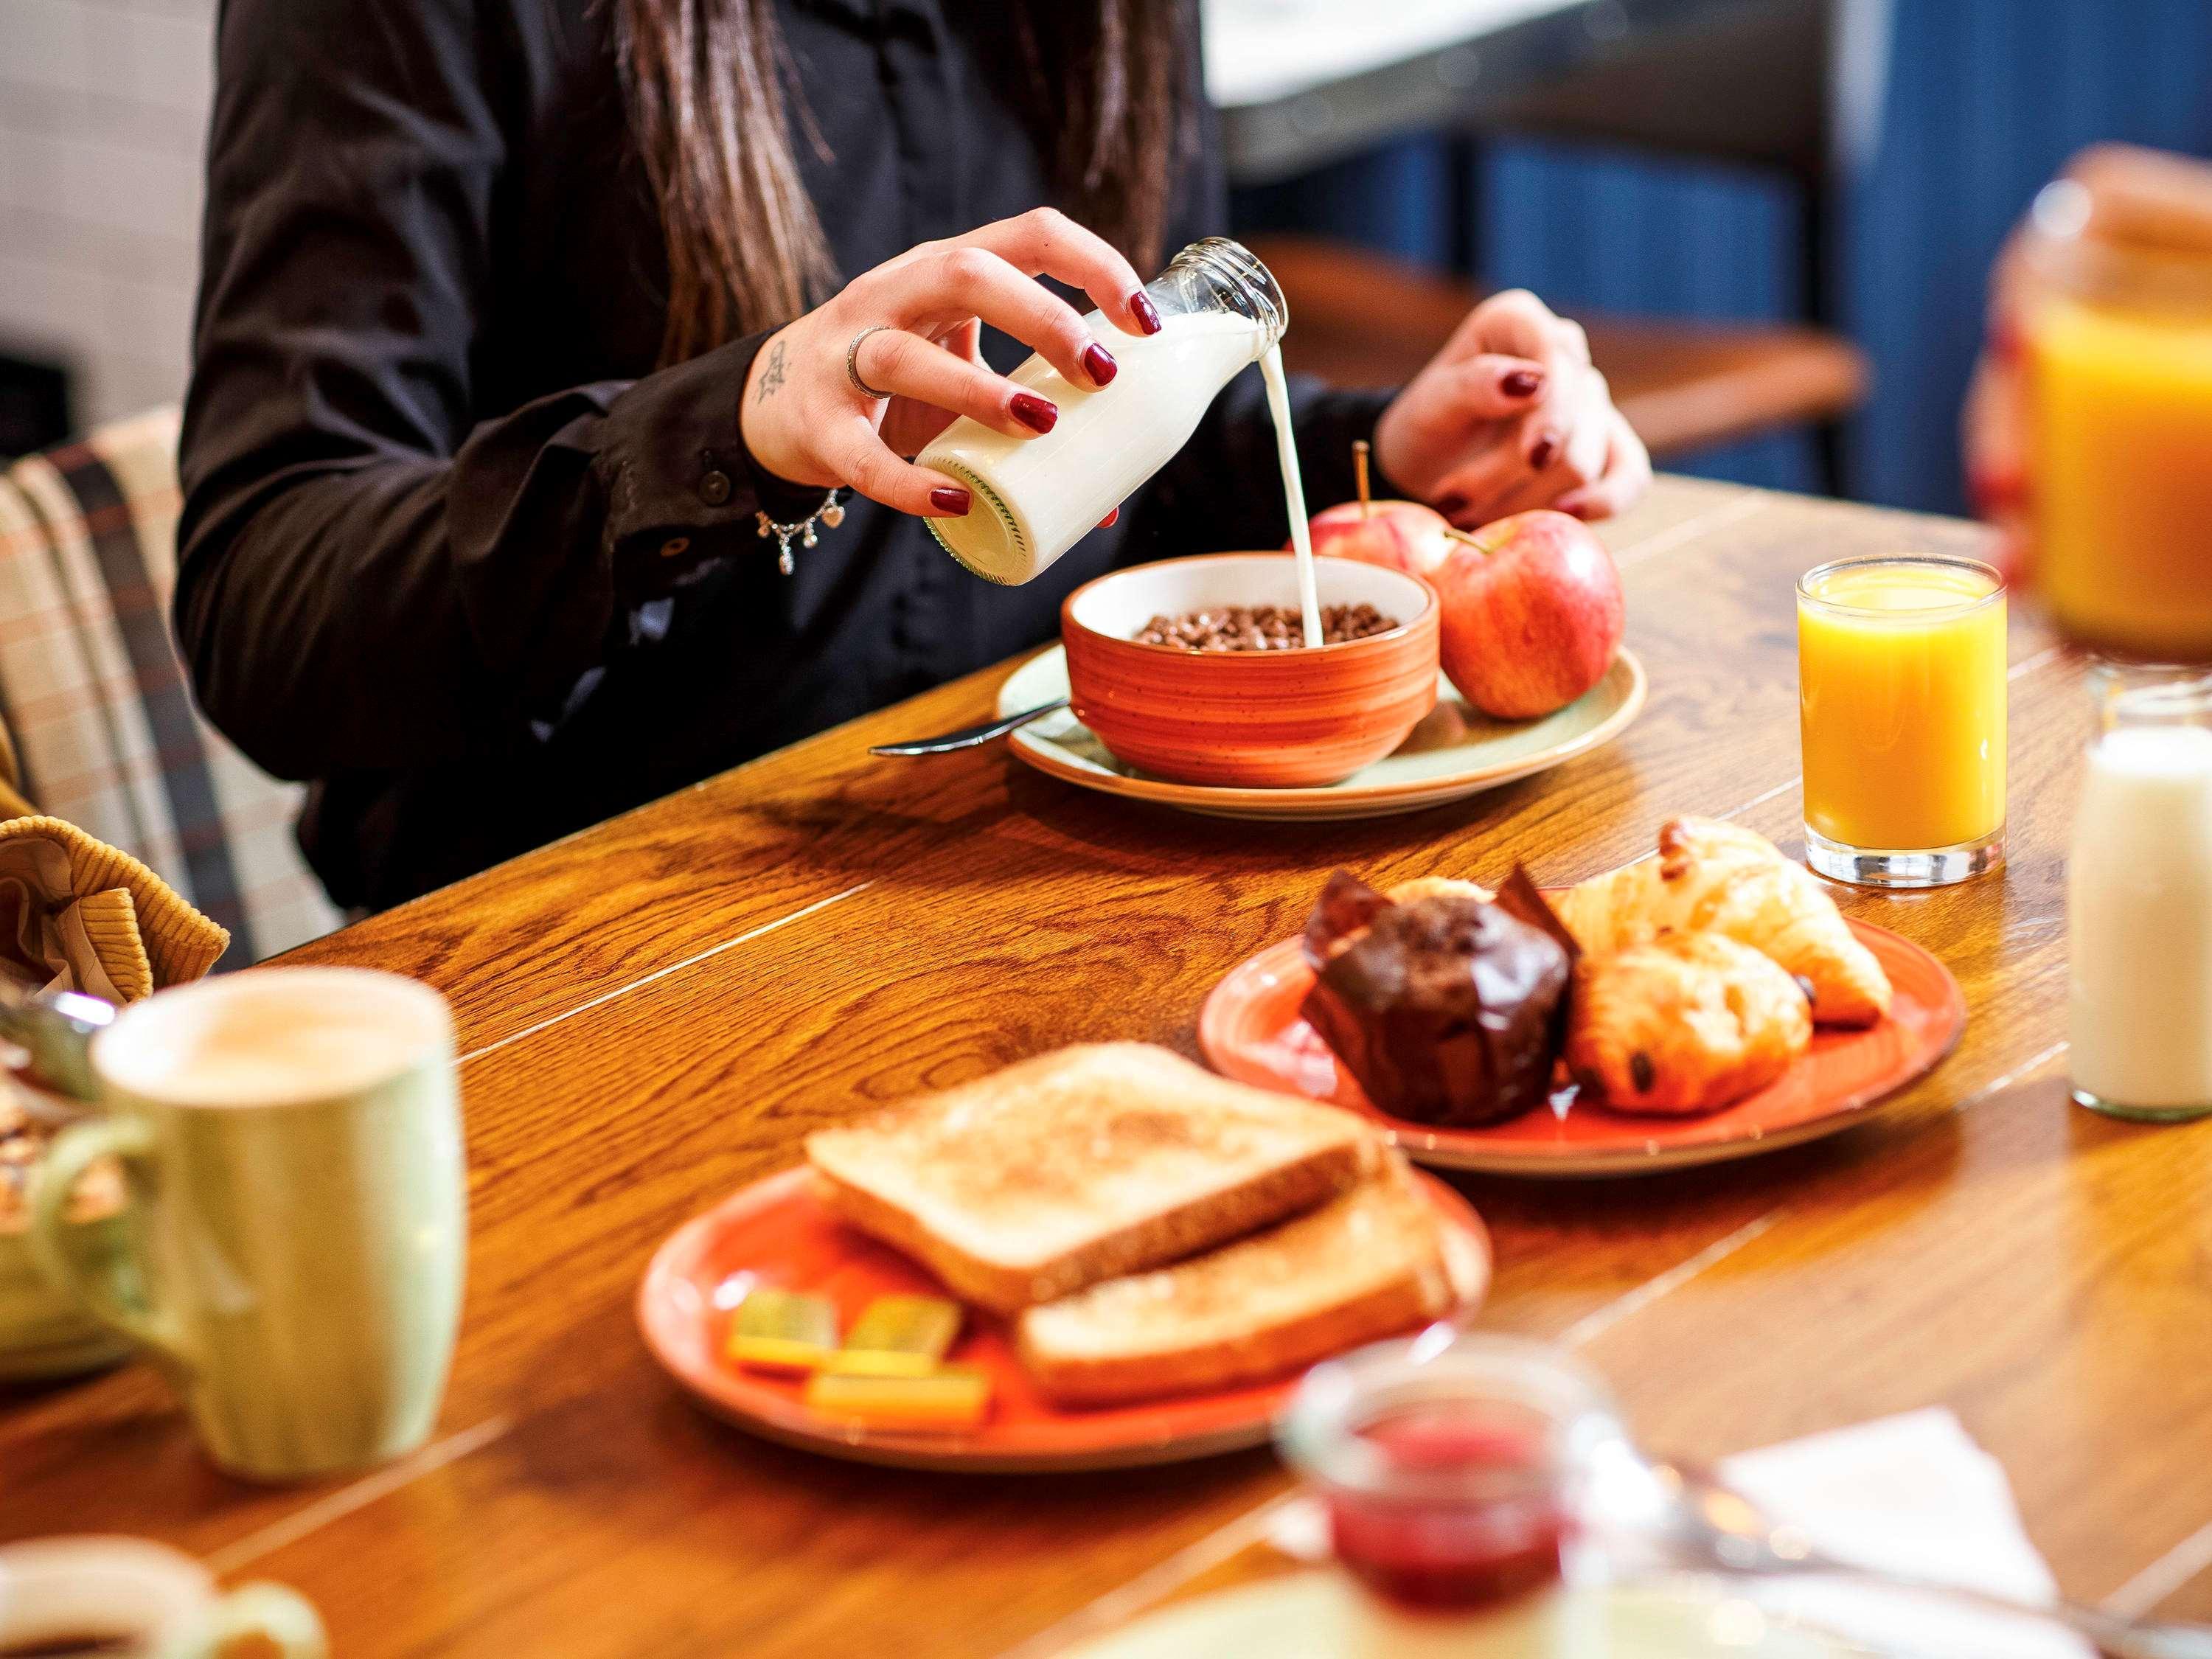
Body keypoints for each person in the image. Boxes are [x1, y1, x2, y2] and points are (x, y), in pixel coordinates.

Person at [178, 0, 1650, 911]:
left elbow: (1095, 456)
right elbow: (263, 608)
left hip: (1037, 880)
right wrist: (735, 431)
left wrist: (1389, 455)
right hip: (593, 946)